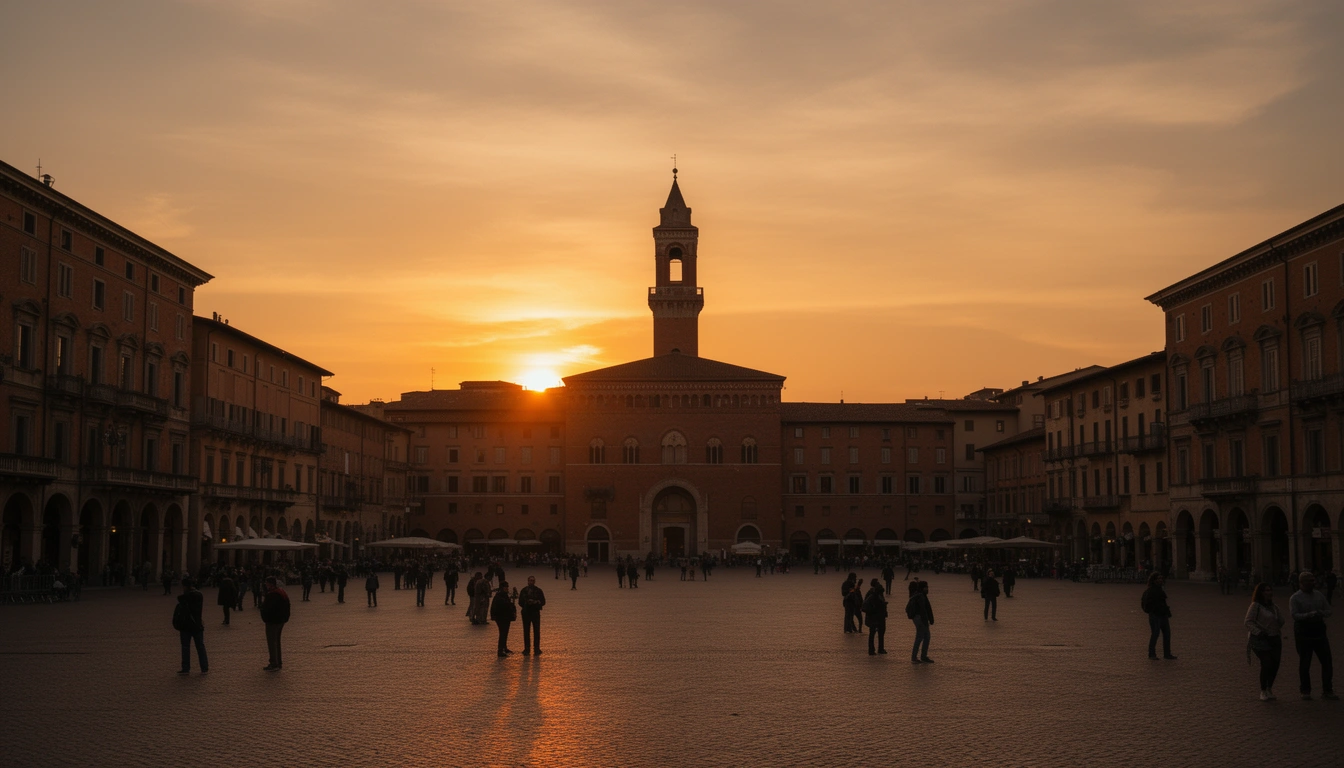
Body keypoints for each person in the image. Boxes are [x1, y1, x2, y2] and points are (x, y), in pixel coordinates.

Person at [1290, 571, 1336, 700]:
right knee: (1305, 662)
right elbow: (1294, 615)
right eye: (1309, 581)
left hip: (1319, 630)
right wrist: (1308, 615)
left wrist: (1321, 613)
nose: (1312, 583)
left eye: (1313, 580)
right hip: (1304, 631)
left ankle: (1327, 690)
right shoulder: (1295, 598)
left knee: (1327, 661)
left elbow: (1329, 610)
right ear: (1302, 583)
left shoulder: (1319, 595)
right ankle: (1305, 690)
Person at [1245, 582, 1285, 701]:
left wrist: (1275, 626)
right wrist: (1259, 631)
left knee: (1275, 664)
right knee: (1266, 662)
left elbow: (1281, 621)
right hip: (1260, 639)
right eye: (1266, 591)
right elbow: (1248, 622)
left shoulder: (1274, 607)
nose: (1269, 593)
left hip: (1274, 637)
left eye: (1270, 590)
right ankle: (1263, 690)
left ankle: (1269, 688)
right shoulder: (1255, 606)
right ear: (1260, 593)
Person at [174, 577, 208, 675]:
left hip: (186, 625)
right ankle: (204, 667)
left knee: (185, 647)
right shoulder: (199, 595)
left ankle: (186, 668)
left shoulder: (186, 597)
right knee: (200, 646)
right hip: (197, 624)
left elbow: (180, 598)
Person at [1142, 572, 1176, 660]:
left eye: (1161, 578)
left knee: (1167, 635)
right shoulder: (1150, 591)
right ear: (1154, 580)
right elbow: (1146, 604)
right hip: (1155, 616)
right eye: (1158, 579)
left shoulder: (1160, 589)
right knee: (1155, 634)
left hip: (1163, 615)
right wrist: (1153, 610)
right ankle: (1152, 654)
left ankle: (1167, 654)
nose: (1160, 580)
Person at [260, 576, 291, 671]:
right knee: (277, 641)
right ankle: (278, 662)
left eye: (266, 583)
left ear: (270, 584)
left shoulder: (272, 595)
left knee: (272, 642)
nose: (265, 585)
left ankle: (274, 663)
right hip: (281, 620)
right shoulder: (281, 592)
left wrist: (265, 617)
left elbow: (267, 609)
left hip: (272, 621)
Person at [907, 580, 934, 663]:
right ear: (922, 588)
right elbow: (923, 610)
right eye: (926, 587)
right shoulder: (920, 596)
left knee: (926, 637)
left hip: (919, 618)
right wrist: (927, 620)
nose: (927, 589)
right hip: (920, 619)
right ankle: (914, 657)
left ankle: (923, 656)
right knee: (920, 637)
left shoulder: (920, 595)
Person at [519, 575, 546, 655]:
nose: (531, 582)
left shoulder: (538, 591)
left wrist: (536, 602)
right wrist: (527, 603)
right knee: (526, 631)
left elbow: (543, 602)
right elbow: (520, 602)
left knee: (536, 631)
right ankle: (527, 649)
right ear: (528, 581)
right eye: (530, 580)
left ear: (534, 582)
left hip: (535, 613)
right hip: (526, 613)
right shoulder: (524, 590)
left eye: (532, 580)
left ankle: (536, 648)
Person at [491, 580, 517, 657]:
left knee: (505, 633)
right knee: (502, 633)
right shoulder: (499, 596)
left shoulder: (504, 595)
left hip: (506, 617)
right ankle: (500, 650)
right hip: (501, 617)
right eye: (506, 587)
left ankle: (504, 647)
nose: (507, 588)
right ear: (502, 588)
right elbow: (503, 606)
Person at [863, 579, 887, 655]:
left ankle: (880, 648)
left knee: (880, 632)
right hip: (874, 616)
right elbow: (867, 605)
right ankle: (872, 649)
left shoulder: (878, 594)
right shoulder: (872, 594)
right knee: (873, 633)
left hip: (879, 616)